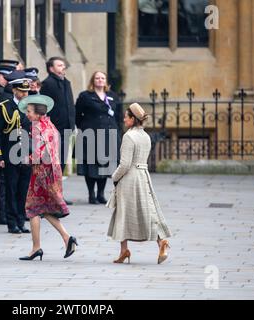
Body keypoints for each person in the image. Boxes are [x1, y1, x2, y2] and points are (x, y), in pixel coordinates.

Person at [107, 103, 172, 264]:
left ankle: (125, 250)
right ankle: (155, 242)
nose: (123, 119)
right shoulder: (145, 136)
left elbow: (125, 164)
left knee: (123, 213)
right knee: (147, 210)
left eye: (126, 117)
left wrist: (114, 177)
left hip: (130, 178)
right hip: (143, 175)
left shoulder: (129, 136)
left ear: (133, 119)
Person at [17, 95, 78, 261]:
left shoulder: (37, 127)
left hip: (42, 172)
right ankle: (67, 238)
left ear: (37, 113)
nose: (27, 114)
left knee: (32, 208)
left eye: (29, 111)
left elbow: (40, 152)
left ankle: (36, 248)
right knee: (43, 208)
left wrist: (26, 160)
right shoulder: (49, 124)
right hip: (53, 171)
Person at [0, 71, 32, 234]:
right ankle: (12, 222)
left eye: (26, 91)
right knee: (11, 189)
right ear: (15, 90)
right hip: (10, 153)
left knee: (23, 190)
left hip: (26, 153)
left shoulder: (31, 107)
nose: (25, 94)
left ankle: (21, 220)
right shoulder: (5, 106)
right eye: (22, 91)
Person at [75, 71, 121, 204]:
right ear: (93, 80)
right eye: (97, 78)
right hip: (91, 134)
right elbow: (78, 115)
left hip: (109, 134)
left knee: (105, 164)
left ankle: (101, 194)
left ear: (106, 81)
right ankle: (91, 194)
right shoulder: (85, 96)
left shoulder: (112, 96)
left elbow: (118, 116)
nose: (100, 80)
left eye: (102, 78)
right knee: (91, 164)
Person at [40, 57, 75, 205]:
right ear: (51, 68)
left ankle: (58, 195)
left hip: (66, 128)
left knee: (61, 164)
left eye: (63, 65)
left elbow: (69, 104)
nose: (63, 67)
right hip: (54, 130)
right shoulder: (48, 84)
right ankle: (50, 196)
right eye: (59, 65)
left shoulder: (66, 83)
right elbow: (45, 108)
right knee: (52, 165)